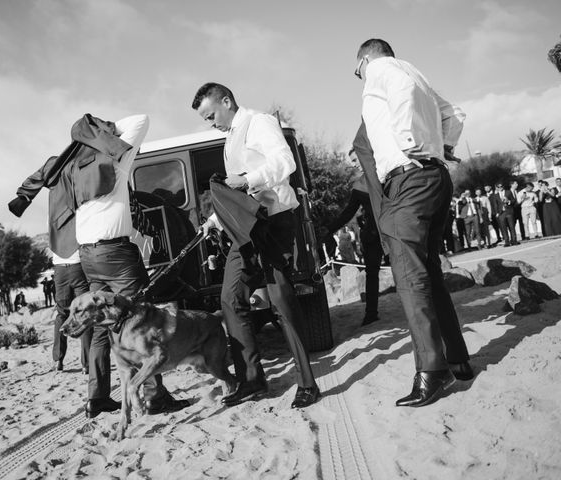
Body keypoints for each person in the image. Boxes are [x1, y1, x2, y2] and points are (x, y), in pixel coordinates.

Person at [354, 38, 472, 407]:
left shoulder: (381, 69)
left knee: (410, 279)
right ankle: (458, 359)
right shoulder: (414, 71)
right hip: (436, 178)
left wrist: (408, 144)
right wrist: (444, 147)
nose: (358, 76)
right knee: (429, 275)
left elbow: (402, 94)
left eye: (356, 69)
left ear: (365, 58)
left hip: (410, 179)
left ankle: (433, 371)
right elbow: (455, 113)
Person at [193, 82, 320, 409]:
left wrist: (249, 179)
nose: (211, 123)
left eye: (211, 116)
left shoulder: (259, 122)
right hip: (247, 227)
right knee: (230, 296)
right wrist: (213, 222)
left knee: (280, 300)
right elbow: (237, 197)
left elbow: (285, 163)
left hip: (275, 222)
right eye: (206, 119)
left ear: (226, 101)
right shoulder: (230, 138)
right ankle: (251, 381)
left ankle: (308, 382)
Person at [74, 114, 189, 418]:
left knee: (100, 325)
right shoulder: (116, 158)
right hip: (114, 253)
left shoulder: (78, 168)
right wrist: (109, 130)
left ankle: (96, 397)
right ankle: (154, 397)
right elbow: (142, 119)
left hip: (87, 254)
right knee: (142, 319)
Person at [9, 153, 92, 375]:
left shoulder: (53, 205)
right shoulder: (79, 198)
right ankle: (86, 363)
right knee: (84, 313)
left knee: (62, 313)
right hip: (77, 264)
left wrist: (25, 196)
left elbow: (41, 175)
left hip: (59, 267)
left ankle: (58, 360)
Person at [326, 175, 383, 325]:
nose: (355, 164)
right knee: (372, 273)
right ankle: (371, 313)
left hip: (390, 230)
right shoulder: (360, 185)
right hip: (372, 234)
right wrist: (329, 228)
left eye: (355, 160)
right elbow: (349, 212)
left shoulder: (385, 173)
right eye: (353, 161)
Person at [490, 183, 519, 247]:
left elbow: (513, 200)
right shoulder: (495, 195)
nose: (500, 188)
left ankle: (514, 240)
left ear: (503, 186)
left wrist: (508, 201)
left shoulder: (508, 192)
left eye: (501, 186)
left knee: (511, 227)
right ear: (497, 187)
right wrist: (497, 213)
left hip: (509, 211)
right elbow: (495, 205)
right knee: (503, 228)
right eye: (498, 187)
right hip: (501, 213)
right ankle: (507, 241)